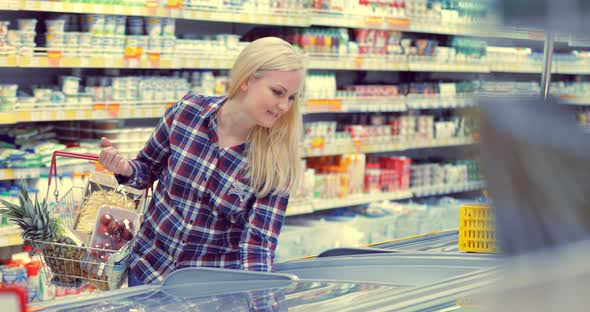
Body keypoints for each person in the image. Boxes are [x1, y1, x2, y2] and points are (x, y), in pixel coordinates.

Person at [98, 37, 304, 286]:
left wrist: (260, 299)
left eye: (292, 97)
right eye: (277, 92)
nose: (284, 106)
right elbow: (147, 169)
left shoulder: (275, 161)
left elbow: (258, 245)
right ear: (247, 80)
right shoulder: (187, 112)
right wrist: (126, 169)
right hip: (148, 271)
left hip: (207, 292)